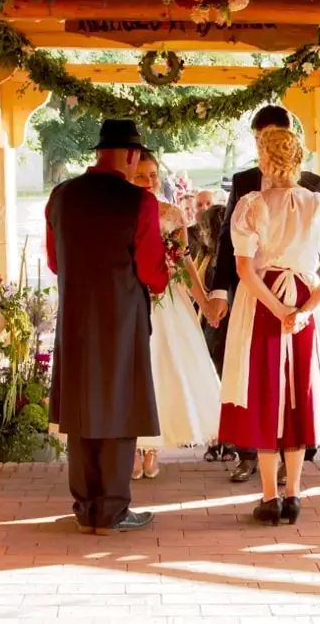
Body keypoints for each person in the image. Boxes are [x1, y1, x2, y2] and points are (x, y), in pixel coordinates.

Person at [206, 105, 320, 483]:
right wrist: (305, 310)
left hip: (263, 297)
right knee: (299, 388)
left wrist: (280, 308)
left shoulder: (253, 205)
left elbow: (244, 268)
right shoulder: (318, 204)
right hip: (304, 298)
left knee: (262, 386)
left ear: (266, 156)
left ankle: (270, 495)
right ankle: (293, 493)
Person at [45, 119, 168, 534]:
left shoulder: (61, 197)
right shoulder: (139, 201)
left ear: (100, 151)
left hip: (77, 314)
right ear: (132, 155)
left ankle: (86, 506)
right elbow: (152, 270)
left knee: (81, 406)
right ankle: (112, 508)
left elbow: (54, 261)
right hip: (122, 315)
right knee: (120, 404)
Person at [130, 151, 222, 479]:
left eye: (153, 174)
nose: (149, 181)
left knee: (162, 373)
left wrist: (205, 301)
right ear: (128, 177)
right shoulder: (122, 212)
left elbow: (184, 263)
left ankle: (151, 447)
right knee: (135, 373)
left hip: (167, 300)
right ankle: (132, 448)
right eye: (141, 175)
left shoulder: (171, 214)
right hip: (132, 300)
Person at [194, 203, 237, 463]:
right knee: (221, 385)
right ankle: (222, 440)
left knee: (218, 384)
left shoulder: (212, 261)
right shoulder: (208, 258)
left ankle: (221, 440)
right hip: (215, 328)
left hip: (217, 329)